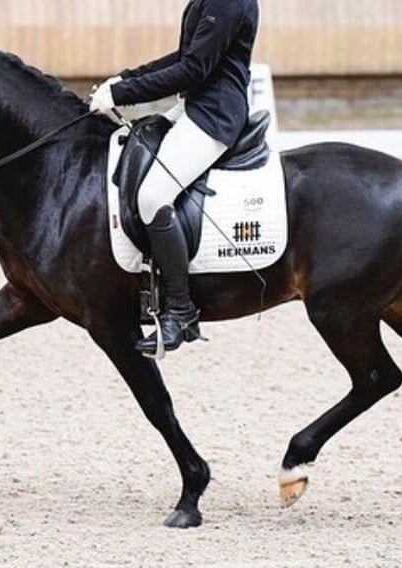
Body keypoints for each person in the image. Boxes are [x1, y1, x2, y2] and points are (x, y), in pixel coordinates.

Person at [89, 0, 260, 354]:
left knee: (153, 196)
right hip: (194, 105)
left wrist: (122, 93)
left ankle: (181, 312)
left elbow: (193, 69)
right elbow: (185, 55)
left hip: (214, 114)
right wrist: (126, 77)